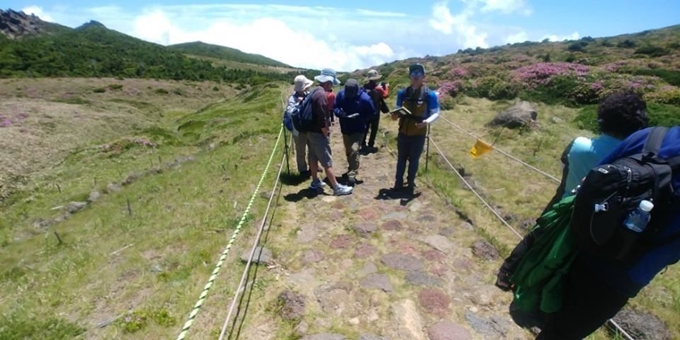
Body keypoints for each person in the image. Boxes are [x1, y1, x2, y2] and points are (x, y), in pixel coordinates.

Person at [535, 125, 680, 340]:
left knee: (551, 311)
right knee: (564, 333)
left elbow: (593, 178)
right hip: (624, 274)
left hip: (585, 239)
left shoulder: (652, 135)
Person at [496, 92, 650, 291]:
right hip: (598, 220)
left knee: (538, 235)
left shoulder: (578, 144)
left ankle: (507, 273)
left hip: (563, 201)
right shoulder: (635, 159)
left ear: (603, 118)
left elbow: (564, 170)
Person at [390, 63, 440, 193]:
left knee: (414, 160)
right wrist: (395, 116)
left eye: (418, 73)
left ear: (423, 76)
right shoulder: (402, 93)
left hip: (419, 133)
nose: (415, 76)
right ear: (410, 76)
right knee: (401, 158)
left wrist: (426, 122)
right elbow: (397, 109)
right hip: (403, 132)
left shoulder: (430, 95)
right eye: (413, 73)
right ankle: (398, 183)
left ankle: (411, 183)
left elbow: (436, 113)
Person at [307, 68, 353, 196]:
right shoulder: (322, 95)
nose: (332, 85)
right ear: (328, 82)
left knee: (313, 156)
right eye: (332, 83)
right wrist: (325, 131)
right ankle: (336, 187)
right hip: (318, 132)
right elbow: (322, 118)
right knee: (327, 160)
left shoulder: (314, 91)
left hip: (310, 131)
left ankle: (315, 181)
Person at [333, 78, 376, 186]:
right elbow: (335, 107)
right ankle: (350, 168)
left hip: (358, 129)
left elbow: (372, 113)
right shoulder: (341, 95)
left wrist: (361, 117)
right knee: (348, 151)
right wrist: (340, 113)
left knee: (354, 150)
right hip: (345, 128)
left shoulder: (365, 99)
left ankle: (352, 174)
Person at [286, 74, 314, 178]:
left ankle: (313, 166)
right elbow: (290, 112)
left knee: (312, 148)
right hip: (298, 130)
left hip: (308, 128)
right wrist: (300, 105)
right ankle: (303, 170)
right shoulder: (292, 99)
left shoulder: (308, 95)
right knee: (301, 150)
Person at [362, 69, 390, 153]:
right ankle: (371, 145)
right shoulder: (378, 88)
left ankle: (363, 143)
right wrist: (387, 87)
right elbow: (385, 95)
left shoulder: (364, 87)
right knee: (374, 129)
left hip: (366, 111)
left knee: (365, 128)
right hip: (375, 111)